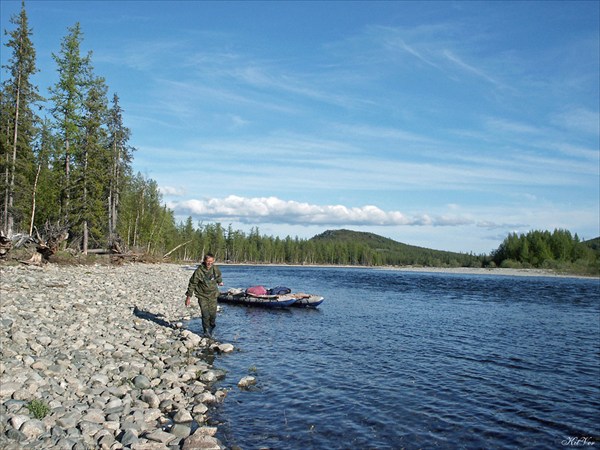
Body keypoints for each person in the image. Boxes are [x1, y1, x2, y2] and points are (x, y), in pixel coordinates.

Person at [185, 253, 223, 338]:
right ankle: (206, 331)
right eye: (207, 261)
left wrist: (220, 282)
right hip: (202, 295)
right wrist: (188, 297)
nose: (209, 263)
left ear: (213, 261)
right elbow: (192, 284)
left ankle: (212, 326)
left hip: (213, 295)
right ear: (204, 261)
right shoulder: (199, 271)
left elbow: (219, 277)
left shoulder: (215, 269)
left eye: (211, 261)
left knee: (213, 315)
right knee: (205, 314)